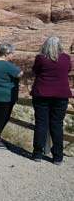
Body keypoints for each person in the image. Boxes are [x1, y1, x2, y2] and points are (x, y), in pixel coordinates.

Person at [30, 36, 72, 165]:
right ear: (60, 45)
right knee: (57, 125)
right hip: (61, 95)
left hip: (42, 93)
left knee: (41, 124)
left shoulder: (41, 58)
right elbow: (68, 70)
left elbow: (35, 71)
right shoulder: (66, 58)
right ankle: (57, 157)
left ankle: (37, 153)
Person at [0, 43, 23, 149]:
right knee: (3, 117)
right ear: (7, 53)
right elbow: (19, 74)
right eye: (12, 53)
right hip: (6, 96)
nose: (13, 56)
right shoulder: (7, 65)